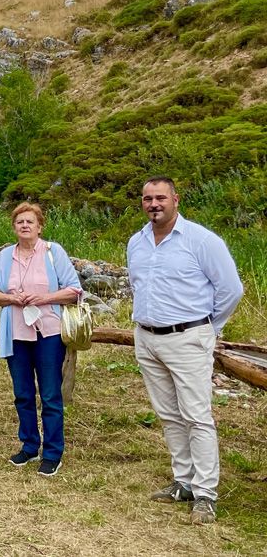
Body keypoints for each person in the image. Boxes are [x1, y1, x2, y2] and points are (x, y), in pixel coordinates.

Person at [128, 176, 242, 525]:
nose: (153, 204)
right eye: (147, 199)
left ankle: (206, 494)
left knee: (196, 416)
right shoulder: (137, 242)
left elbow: (231, 290)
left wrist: (208, 329)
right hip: (147, 337)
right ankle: (184, 482)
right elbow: (138, 285)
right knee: (168, 414)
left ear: (175, 199)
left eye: (160, 197)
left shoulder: (202, 240)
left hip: (188, 338)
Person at [0, 202, 82, 477]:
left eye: (30, 221)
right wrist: (12, 298)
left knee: (50, 393)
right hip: (16, 332)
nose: (25, 225)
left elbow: (74, 290)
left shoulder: (54, 253)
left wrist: (44, 298)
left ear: (40, 226)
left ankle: (53, 452)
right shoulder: (5, 257)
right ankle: (29, 446)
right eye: (20, 222)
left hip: (49, 333)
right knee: (23, 393)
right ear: (14, 227)